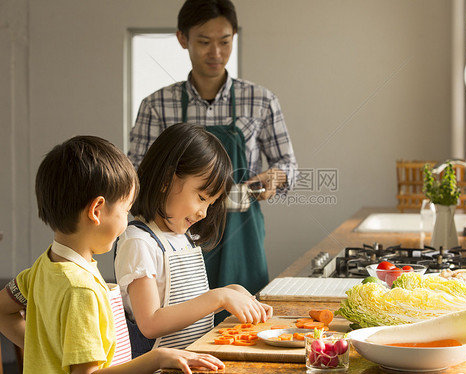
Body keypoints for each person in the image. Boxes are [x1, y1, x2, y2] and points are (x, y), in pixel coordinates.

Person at [0, 136, 225, 374]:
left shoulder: (39, 269)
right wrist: (157, 358)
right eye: (125, 209)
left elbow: (2, 310)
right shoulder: (81, 290)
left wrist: (47, 354)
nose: (127, 219)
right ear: (97, 210)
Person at [128, 0, 298, 309]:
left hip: (241, 233)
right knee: (182, 320)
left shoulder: (260, 100)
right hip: (176, 232)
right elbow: (135, 176)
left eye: (224, 41)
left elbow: (288, 166)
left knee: (245, 320)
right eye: (204, 42)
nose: (215, 53)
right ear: (183, 39)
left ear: (235, 36)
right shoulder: (157, 104)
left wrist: (275, 177)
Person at [115, 123, 273, 358]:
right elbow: (150, 323)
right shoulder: (139, 242)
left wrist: (232, 292)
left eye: (210, 204)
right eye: (201, 197)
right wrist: (218, 297)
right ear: (167, 180)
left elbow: (188, 303)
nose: (204, 213)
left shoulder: (182, 238)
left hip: (192, 362)